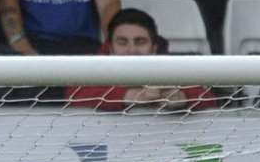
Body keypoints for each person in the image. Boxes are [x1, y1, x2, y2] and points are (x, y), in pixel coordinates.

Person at [66, 7, 218, 111]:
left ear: (154, 48)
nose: (131, 51)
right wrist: (130, 96)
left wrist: (183, 97)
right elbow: (74, 96)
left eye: (140, 41)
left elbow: (209, 100)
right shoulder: (94, 69)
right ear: (110, 48)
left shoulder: (172, 68)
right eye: (122, 42)